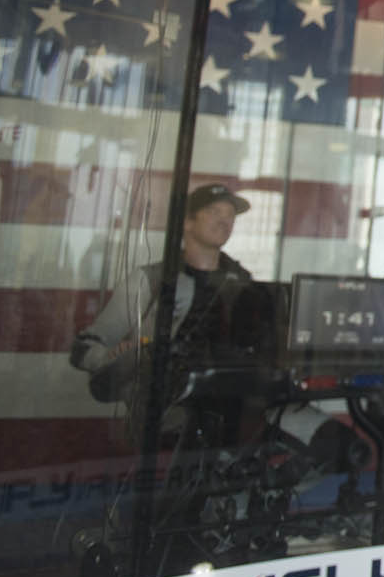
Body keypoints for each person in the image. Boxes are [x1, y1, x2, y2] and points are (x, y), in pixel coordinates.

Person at [71, 183, 363, 483]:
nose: (224, 221)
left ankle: (246, 511)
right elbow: (84, 348)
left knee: (344, 449)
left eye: (230, 215)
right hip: (174, 409)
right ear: (187, 222)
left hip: (243, 403)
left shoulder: (246, 285)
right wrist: (113, 358)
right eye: (214, 212)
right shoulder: (151, 280)